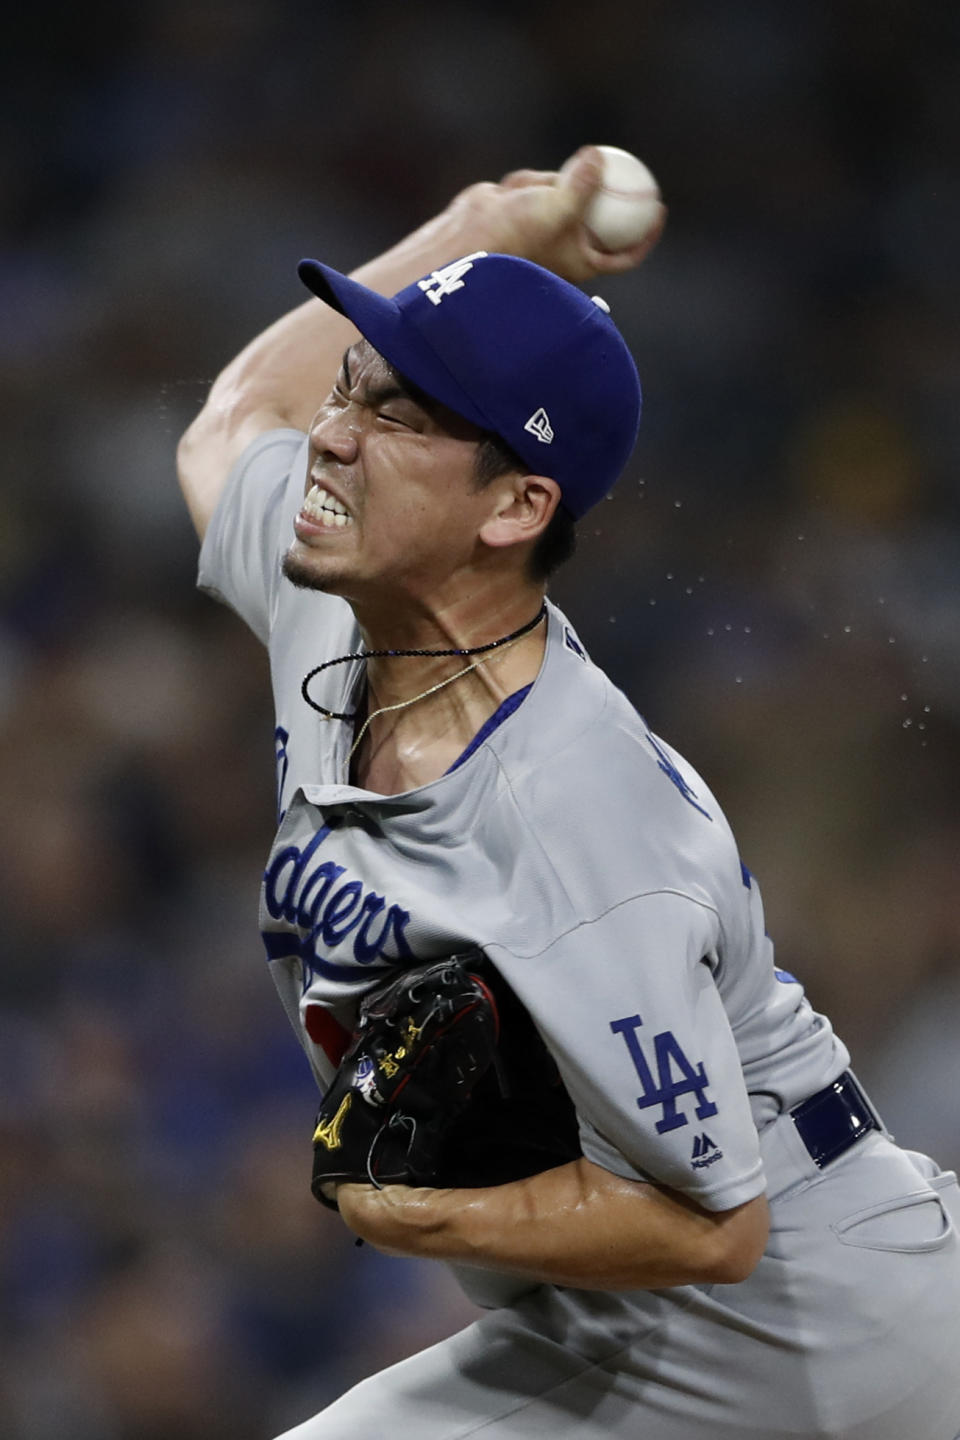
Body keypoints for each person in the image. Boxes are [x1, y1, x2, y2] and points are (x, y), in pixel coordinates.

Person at [177, 147, 960, 1440]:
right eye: (352, 385)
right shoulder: (341, 603)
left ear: (516, 507)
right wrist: (469, 228)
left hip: (823, 1330)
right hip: (612, 1322)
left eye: (396, 413)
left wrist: (421, 1214)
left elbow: (717, 1225)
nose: (333, 431)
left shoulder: (573, 813)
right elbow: (234, 418)